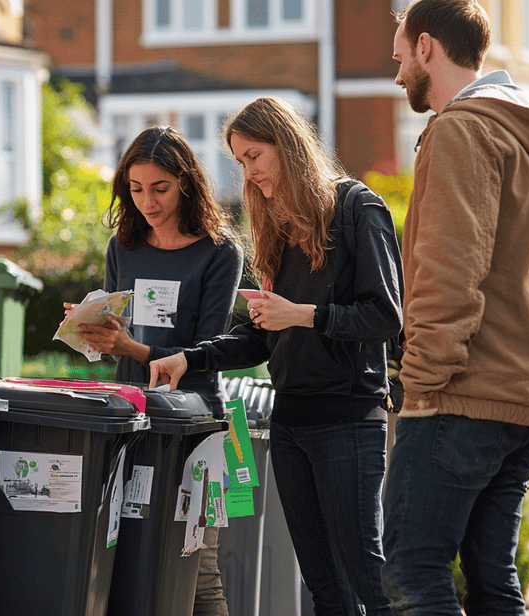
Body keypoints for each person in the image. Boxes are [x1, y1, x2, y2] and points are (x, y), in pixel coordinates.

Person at [148, 97, 403, 616]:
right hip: (290, 425)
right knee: (323, 586)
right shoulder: (280, 233)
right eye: (239, 160)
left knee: (368, 577)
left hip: (348, 421)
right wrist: (188, 360)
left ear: (288, 146)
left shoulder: (358, 209)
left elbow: (385, 316)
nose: (248, 172)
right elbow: (263, 336)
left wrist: (303, 314)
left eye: (254, 155)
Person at [382, 2, 529, 614]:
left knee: (411, 573)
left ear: (427, 48)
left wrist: (420, 384)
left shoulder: (461, 129)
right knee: (493, 582)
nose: (397, 77)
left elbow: (448, 269)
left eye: (400, 57)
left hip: (463, 393)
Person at [67, 126, 243, 615]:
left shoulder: (220, 251)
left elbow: (208, 350)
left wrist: (135, 349)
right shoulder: (122, 246)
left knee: (198, 571)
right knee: (121, 559)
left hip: (192, 428)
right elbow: (118, 327)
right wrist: (91, 327)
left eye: (160, 188)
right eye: (136, 189)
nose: (148, 201)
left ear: (186, 182)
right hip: (130, 423)